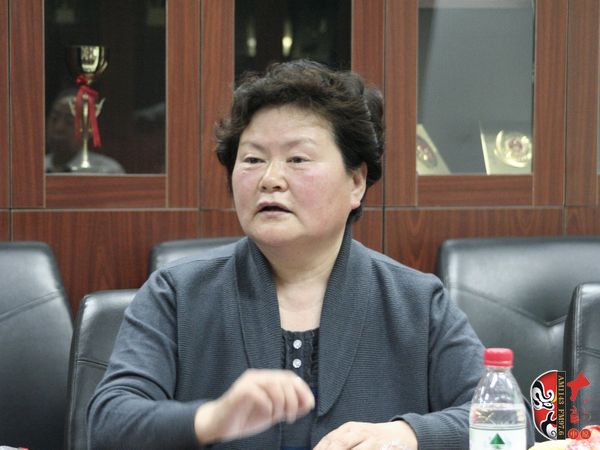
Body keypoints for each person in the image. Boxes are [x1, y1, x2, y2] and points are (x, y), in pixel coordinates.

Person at [87, 60, 532, 449]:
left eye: (297, 159)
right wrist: (212, 418)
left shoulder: (415, 302)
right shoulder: (178, 294)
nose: (270, 179)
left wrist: (408, 434)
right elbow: (108, 422)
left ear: (356, 182)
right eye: (252, 159)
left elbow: (510, 424)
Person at [45, 89, 125, 174]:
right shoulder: (37, 167)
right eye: (54, 119)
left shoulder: (106, 171)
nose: (59, 128)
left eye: (70, 121)